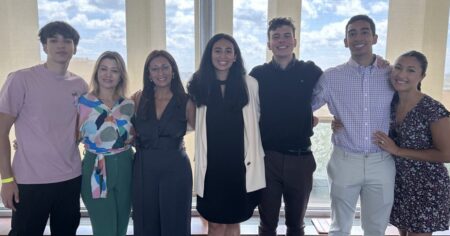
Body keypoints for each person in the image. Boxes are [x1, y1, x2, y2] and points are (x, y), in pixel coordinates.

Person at [0, 21, 88, 236]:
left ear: (74, 48)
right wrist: (6, 179)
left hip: (70, 178)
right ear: (44, 46)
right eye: (53, 40)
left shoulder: (80, 86)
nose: (61, 45)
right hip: (30, 182)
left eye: (67, 41)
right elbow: (1, 132)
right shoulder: (21, 79)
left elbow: (81, 129)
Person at [312, 14, 396, 236]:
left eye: (365, 31)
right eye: (352, 33)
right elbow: (304, 107)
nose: (358, 37)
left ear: (375, 38)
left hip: (381, 161)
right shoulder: (330, 77)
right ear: (345, 41)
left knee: (377, 228)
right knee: (339, 227)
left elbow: (409, 104)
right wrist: (310, 121)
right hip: (344, 160)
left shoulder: (391, 74)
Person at [249, 17, 323, 236]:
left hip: (301, 159)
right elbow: (245, 108)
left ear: (295, 41)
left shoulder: (310, 71)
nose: (281, 41)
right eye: (276, 37)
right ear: (268, 43)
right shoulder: (258, 74)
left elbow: (336, 91)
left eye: (286, 35)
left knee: (296, 225)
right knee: (267, 224)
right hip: (267, 158)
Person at [188, 33, 265, 236]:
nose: (223, 55)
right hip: (211, 167)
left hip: (240, 166)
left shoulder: (250, 84)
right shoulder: (199, 83)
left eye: (228, 50)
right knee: (214, 224)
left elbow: (257, 118)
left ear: (235, 56)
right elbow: (190, 120)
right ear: (209, 55)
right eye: (218, 50)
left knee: (234, 221)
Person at [373, 51, 450, 236]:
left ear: (421, 76)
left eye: (411, 70)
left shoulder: (432, 109)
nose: (401, 75)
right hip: (399, 183)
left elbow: (447, 154)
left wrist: (398, 150)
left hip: (427, 186)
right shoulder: (389, 103)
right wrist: (338, 122)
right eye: (398, 67)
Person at [132, 50, 195, 236]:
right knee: (145, 222)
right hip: (144, 167)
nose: (161, 73)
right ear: (148, 74)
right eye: (155, 69)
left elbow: (200, 131)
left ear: (173, 71)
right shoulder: (137, 99)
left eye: (165, 67)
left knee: (176, 222)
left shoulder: (187, 101)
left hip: (175, 167)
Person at [78, 51, 134, 236]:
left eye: (114, 70)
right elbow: (68, 137)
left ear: (121, 76)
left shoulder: (129, 105)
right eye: (103, 69)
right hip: (96, 166)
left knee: (121, 228)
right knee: (104, 230)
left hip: (126, 165)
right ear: (96, 72)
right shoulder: (83, 103)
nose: (108, 75)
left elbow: (138, 136)